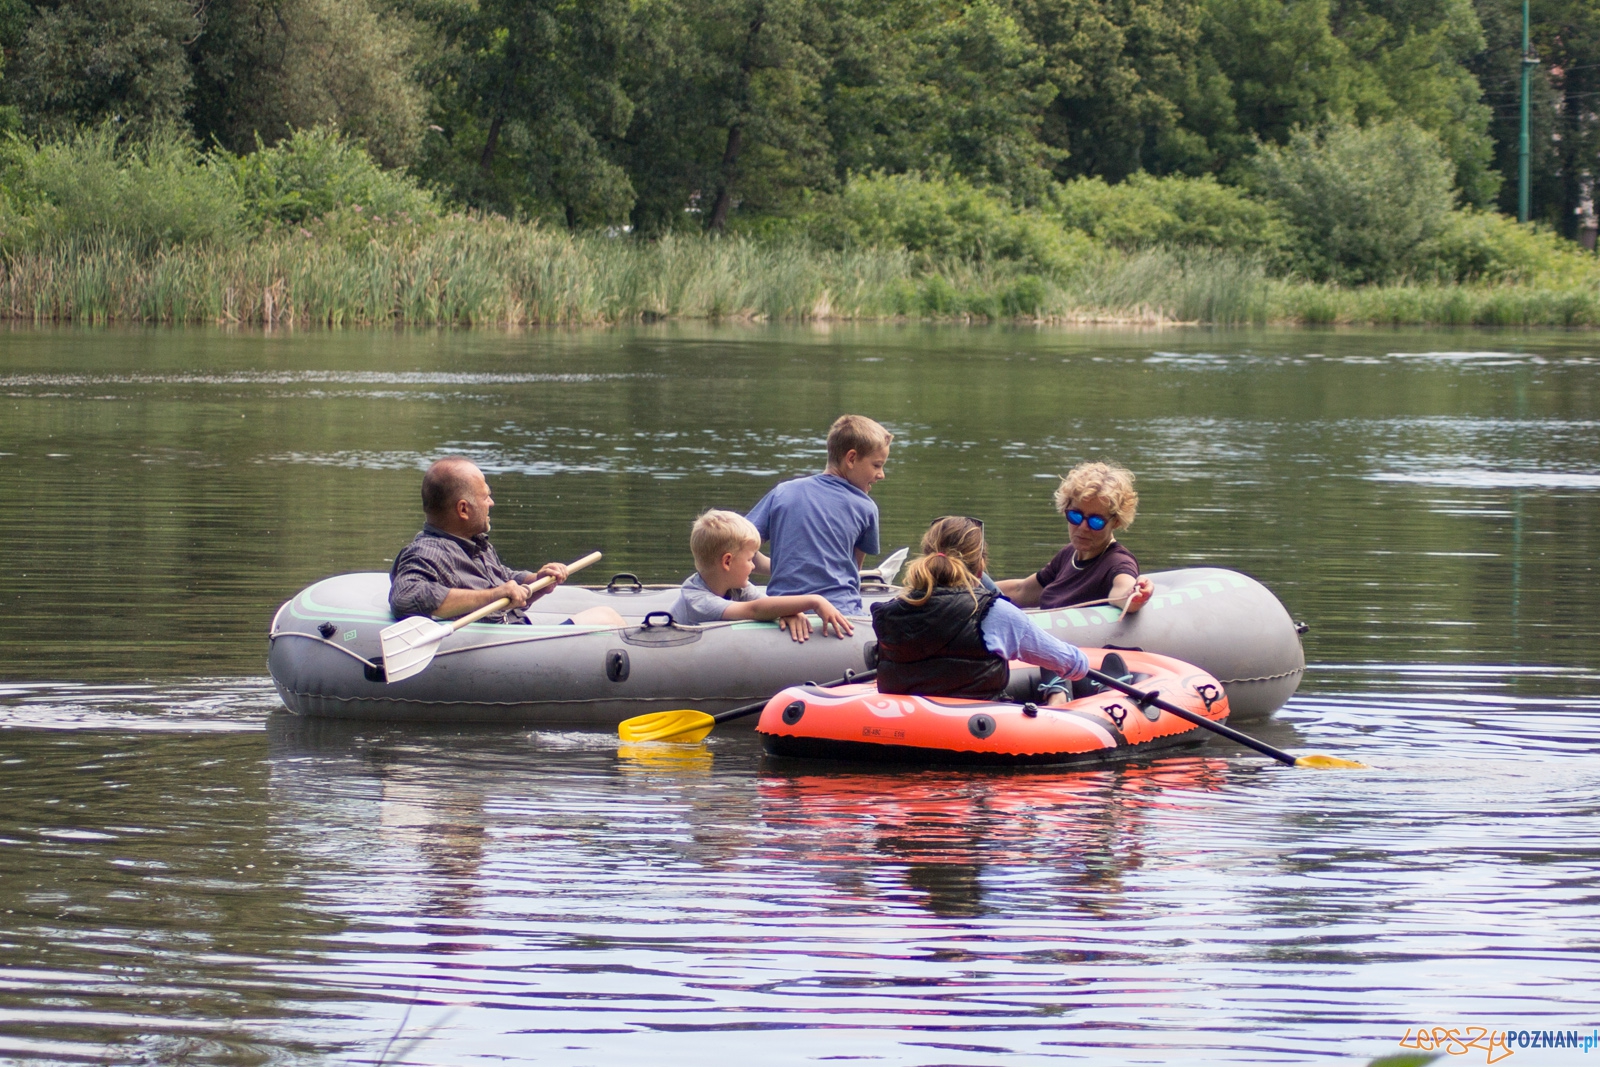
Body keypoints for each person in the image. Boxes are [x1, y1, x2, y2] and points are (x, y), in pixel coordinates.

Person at [871, 517, 1089, 701]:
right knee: (1065, 678)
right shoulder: (994, 612)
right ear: (980, 569)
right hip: (978, 730)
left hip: (905, 728)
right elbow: (1075, 664)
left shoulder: (890, 612)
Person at [389, 456, 622, 626]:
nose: (491, 503)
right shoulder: (428, 552)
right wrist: (492, 595)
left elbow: (504, 579)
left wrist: (538, 581)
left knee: (605, 617)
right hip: (506, 649)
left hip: (519, 640)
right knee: (605, 618)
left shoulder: (474, 544)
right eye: (486, 497)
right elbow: (405, 597)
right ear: (463, 509)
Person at [746, 414, 890, 617]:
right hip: (842, 613)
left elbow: (738, 546)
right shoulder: (866, 507)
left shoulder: (783, 492)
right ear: (851, 459)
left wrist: (784, 566)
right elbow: (851, 571)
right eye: (877, 465)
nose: (881, 474)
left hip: (783, 610)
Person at [669, 509, 856, 642]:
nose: (753, 566)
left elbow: (769, 604)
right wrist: (815, 601)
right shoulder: (697, 600)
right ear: (727, 562)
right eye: (750, 559)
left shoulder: (736, 587)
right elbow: (755, 610)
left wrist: (789, 612)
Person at [997, 461, 1154, 614]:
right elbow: (1022, 590)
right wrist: (981, 587)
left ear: (1116, 522)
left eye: (1096, 521)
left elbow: (1122, 592)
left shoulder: (1118, 562)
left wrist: (1135, 595)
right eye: (1075, 516)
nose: (1083, 527)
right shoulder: (1069, 553)